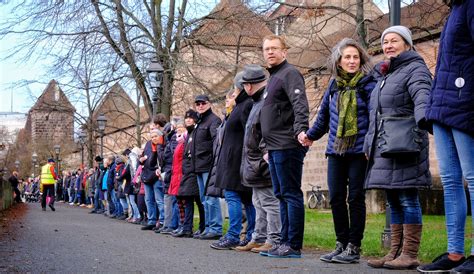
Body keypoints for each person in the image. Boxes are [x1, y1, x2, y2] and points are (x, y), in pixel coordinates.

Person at [364, 26, 432, 270]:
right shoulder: (386, 74)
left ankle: (410, 253)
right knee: (393, 200)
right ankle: (394, 252)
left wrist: (425, 118)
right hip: (385, 146)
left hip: (405, 144)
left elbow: (422, 95)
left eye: (394, 41)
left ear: (407, 44)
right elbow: (376, 114)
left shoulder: (415, 69)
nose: (388, 45)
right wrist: (368, 142)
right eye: (385, 42)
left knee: (407, 198)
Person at [302, 38, 376, 263]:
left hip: (359, 151)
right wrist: (309, 136)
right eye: (347, 57)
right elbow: (323, 117)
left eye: (356, 57)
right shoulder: (334, 86)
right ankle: (341, 243)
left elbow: (374, 117)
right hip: (336, 150)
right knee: (335, 197)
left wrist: (369, 145)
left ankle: (354, 247)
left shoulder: (368, 84)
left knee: (355, 198)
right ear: (339, 61)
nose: (352, 61)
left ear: (361, 59)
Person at [417, 1, 474, 273]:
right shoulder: (455, 9)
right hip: (442, 106)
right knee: (451, 181)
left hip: (465, 103)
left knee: (473, 178)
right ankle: (455, 253)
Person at [259, 35, 310, 258]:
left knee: (290, 194)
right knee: (280, 194)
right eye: (266, 49)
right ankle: (284, 242)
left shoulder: (289, 74)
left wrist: (300, 130)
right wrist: (265, 146)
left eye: (274, 48)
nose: (270, 52)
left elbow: (300, 105)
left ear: (284, 52)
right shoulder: (272, 79)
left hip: (288, 144)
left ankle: (293, 245)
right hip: (274, 147)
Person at [238, 64, 282, 254]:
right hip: (254, 162)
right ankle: (259, 237)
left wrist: (265, 154)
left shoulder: (264, 101)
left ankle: (273, 239)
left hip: (261, 162)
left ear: (248, 86)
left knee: (269, 202)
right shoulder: (257, 102)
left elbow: (268, 130)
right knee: (258, 201)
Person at [210, 71, 256, 250]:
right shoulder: (240, 105)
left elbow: (249, 132)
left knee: (233, 196)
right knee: (245, 199)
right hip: (232, 159)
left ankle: (234, 234)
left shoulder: (246, 105)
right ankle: (251, 234)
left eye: (235, 89)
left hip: (236, 160)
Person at [191, 94, 223, 240]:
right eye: (197, 104)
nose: (200, 106)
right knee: (204, 199)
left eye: (203, 103)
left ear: (209, 103)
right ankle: (209, 227)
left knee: (211, 198)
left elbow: (217, 143)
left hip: (208, 165)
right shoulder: (199, 122)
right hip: (198, 166)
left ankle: (215, 228)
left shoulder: (213, 120)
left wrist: (213, 162)